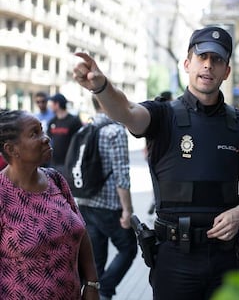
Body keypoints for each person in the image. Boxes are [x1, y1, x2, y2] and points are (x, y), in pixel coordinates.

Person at [73, 26, 239, 300]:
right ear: (187, 64)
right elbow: (125, 111)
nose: (208, 65)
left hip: (225, 258)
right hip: (175, 259)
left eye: (217, 60)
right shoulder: (163, 114)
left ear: (227, 72)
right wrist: (102, 87)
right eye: (202, 57)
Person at [0, 109, 99, 300]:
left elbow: (82, 231)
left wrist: (92, 284)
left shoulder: (56, 180)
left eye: (42, 130)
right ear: (12, 149)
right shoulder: (3, 194)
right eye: (34, 134)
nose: (45, 138)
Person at [77, 96, 137, 300]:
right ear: (105, 103)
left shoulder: (85, 128)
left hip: (85, 201)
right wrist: (127, 209)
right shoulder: (115, 131)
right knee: (129, 248)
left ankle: (96, 294)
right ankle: (105, 291)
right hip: (109, 205)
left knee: (97, 257)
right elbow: (122, 173)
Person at [146, 90, 173, 215]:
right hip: (167, 152)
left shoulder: (156, 113)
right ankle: (158, 200)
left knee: (156, 179)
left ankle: (155, 199)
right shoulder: (169, 113)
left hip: (153, 151)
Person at [47, 93, 83, 176]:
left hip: (69, 163)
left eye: (51, 103)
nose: (50, 106)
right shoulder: (52, 122)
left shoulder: (74, 121)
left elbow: (80, 142)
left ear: (57, 104)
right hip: (54, 163)